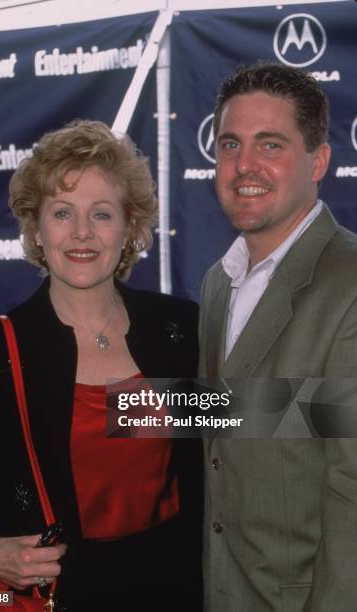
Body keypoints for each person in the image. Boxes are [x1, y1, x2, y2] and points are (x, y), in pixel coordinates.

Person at [0, 120, 202, 611]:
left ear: (130, 227)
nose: (82, 233)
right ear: (37, 228)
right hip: (65, 596)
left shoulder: (179, 328)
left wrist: (335, 410)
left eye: (102, 214)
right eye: (63, 213)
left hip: (180, 588)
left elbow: (240, 425)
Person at [199, 62, 357, 612]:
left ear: (319, 161)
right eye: (230, 144)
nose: (244, 165)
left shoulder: (351, 284)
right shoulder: (219, 282)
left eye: (270, 145)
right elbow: (226, 419)